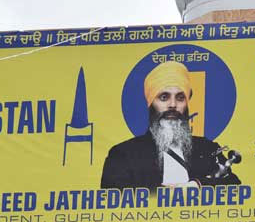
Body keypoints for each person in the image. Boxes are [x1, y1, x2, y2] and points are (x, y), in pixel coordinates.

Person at [101, 61, 240, 191]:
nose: (173, 105)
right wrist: (165, 195)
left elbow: (235, 186)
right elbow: (111, 199)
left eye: (180, 98)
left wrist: (197, 185)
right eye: (164, 97)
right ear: (150, 103)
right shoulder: (124, 154)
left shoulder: (207, 148)